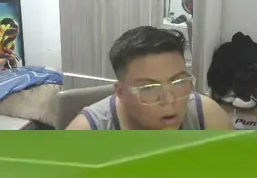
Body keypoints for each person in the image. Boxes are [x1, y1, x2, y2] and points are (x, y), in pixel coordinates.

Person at [67, 26, 230, 130]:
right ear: (121, 92)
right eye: (150, 88)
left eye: (178, 82)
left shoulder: (207, 117)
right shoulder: (86, 133)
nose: (169, 100)